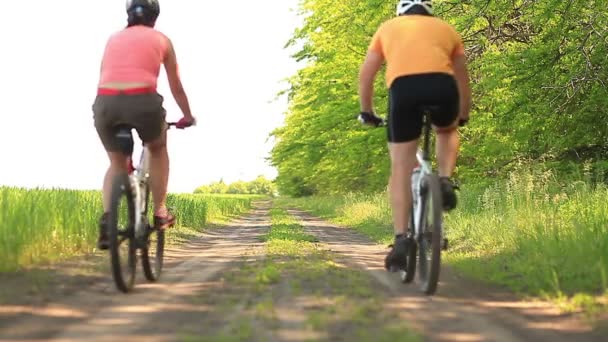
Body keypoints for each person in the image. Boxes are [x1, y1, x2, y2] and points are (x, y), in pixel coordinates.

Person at [357, 0, 472, 271]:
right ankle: (444, 179)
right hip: (442, 88)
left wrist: (367, 111)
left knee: (401, 165)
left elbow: (367, 74)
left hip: (404, 90)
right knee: (447, 130)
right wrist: (463, 113)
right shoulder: (447, 29)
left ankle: (401, 240)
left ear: (401, 11)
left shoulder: (388, 28)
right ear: (429, 10)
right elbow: (462, 77)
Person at [92, 0, 196, 250]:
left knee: (116, 162)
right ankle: (160, 211)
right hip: (144, 102)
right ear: (155, 16)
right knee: (157, 147)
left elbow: (105, 75)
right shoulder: (162, 40)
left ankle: (108, 222)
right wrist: (187, 115)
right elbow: (176, 85)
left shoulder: (113, 38)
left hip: (105, 104)